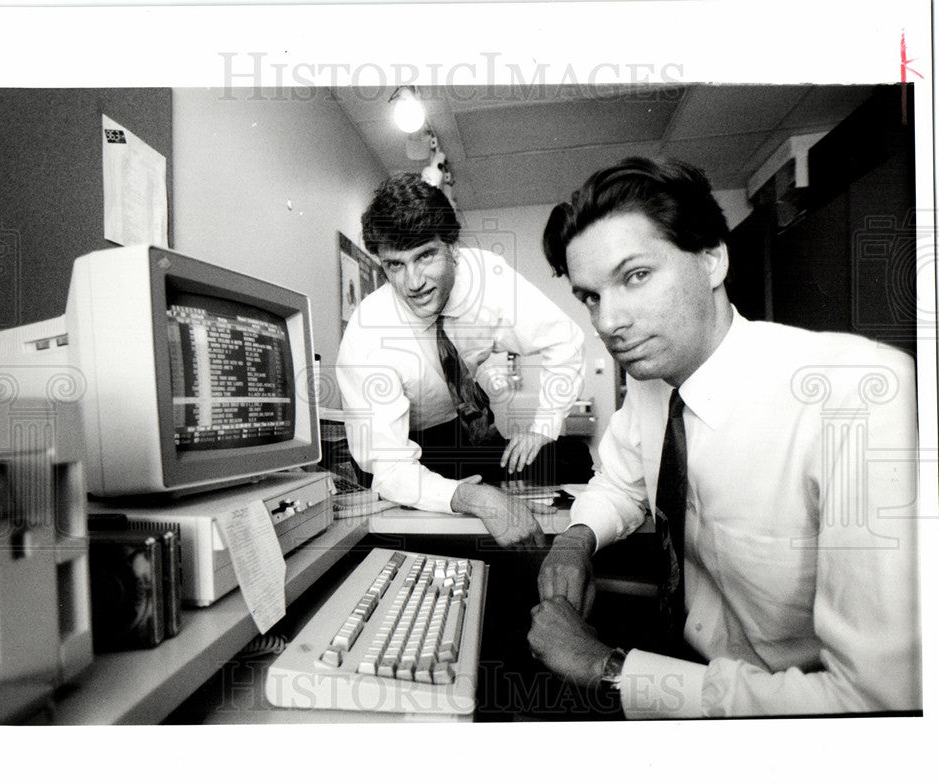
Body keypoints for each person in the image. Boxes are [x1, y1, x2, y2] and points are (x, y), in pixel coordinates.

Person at [527, 158, 921, 717]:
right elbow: (618, 483)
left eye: (635, 276)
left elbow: (879, 703)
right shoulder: (651, 384)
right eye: (590, 296)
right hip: (685, 659)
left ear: (713, 259)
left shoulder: (855, 397)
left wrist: (609, 668)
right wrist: (575, 539)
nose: (608, 321)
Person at [335, 173, 592, 547]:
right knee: (458, 531)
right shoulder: (367, 336)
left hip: (471, 428)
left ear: (452, 247)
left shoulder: (488, 277)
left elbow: (564, 340)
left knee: (573, 459)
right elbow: (389, 468)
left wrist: (543, 426)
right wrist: (470, 498)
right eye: (395, 265)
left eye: (426, 255)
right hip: (417, 445)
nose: (413, 282)